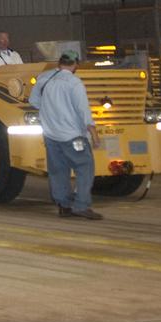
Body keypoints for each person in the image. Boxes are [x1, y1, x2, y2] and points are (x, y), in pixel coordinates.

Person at [29, 54, 102, 220]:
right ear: (75, 64)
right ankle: (81, 205)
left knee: (58, 170)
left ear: (59, 63)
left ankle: (64, 206)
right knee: (85, 167)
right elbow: (83, 111)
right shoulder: (74, 83)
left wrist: (50, 111)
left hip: (50, 134)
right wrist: (95, 136)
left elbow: (33, 100)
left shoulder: (45, 78)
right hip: (72, 135)